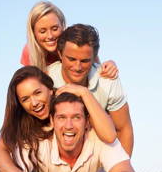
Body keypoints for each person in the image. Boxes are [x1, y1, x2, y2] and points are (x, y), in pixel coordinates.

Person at [0, 66, 116, 172]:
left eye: (37, 93)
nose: (34, 103)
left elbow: (109, 136)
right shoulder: (23, 121)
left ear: (50, 89)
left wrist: (84, 92)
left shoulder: (68, 103)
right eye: (25, 99)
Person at [0, 92, 139, 172]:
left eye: (76, 117)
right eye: (61, 117)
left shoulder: (100, 138)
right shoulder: (37, 140)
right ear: (52, 121)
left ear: (87, 122)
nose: (69, 125)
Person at [47, 23, 134, 157]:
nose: (77, 67)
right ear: (60, 54)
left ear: (94, 58)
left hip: (96, 148)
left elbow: (123, 129)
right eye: (71, 59)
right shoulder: (46, 79)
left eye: (85, 61)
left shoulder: (108, 81)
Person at [20, 0, 118, 78]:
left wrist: (110, 65)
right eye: (42, 31)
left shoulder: (76, 42)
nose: (50, 36)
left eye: (55, 29)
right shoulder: (29, 51)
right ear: (34, 33)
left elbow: (97, 70)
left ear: (62, 26)